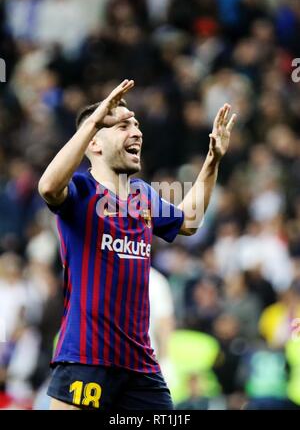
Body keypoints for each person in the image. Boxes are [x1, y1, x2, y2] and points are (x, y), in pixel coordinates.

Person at [38, 79, 236, 410]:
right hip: (87, 359)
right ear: (95, 143)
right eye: (124, 125)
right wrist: (95, 119)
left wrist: (213, 160)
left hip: (140, 365)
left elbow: (189, 222)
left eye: (137, 125)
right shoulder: (80, 191)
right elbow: (47, 187)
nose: (137, 132)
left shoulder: (142, 194)